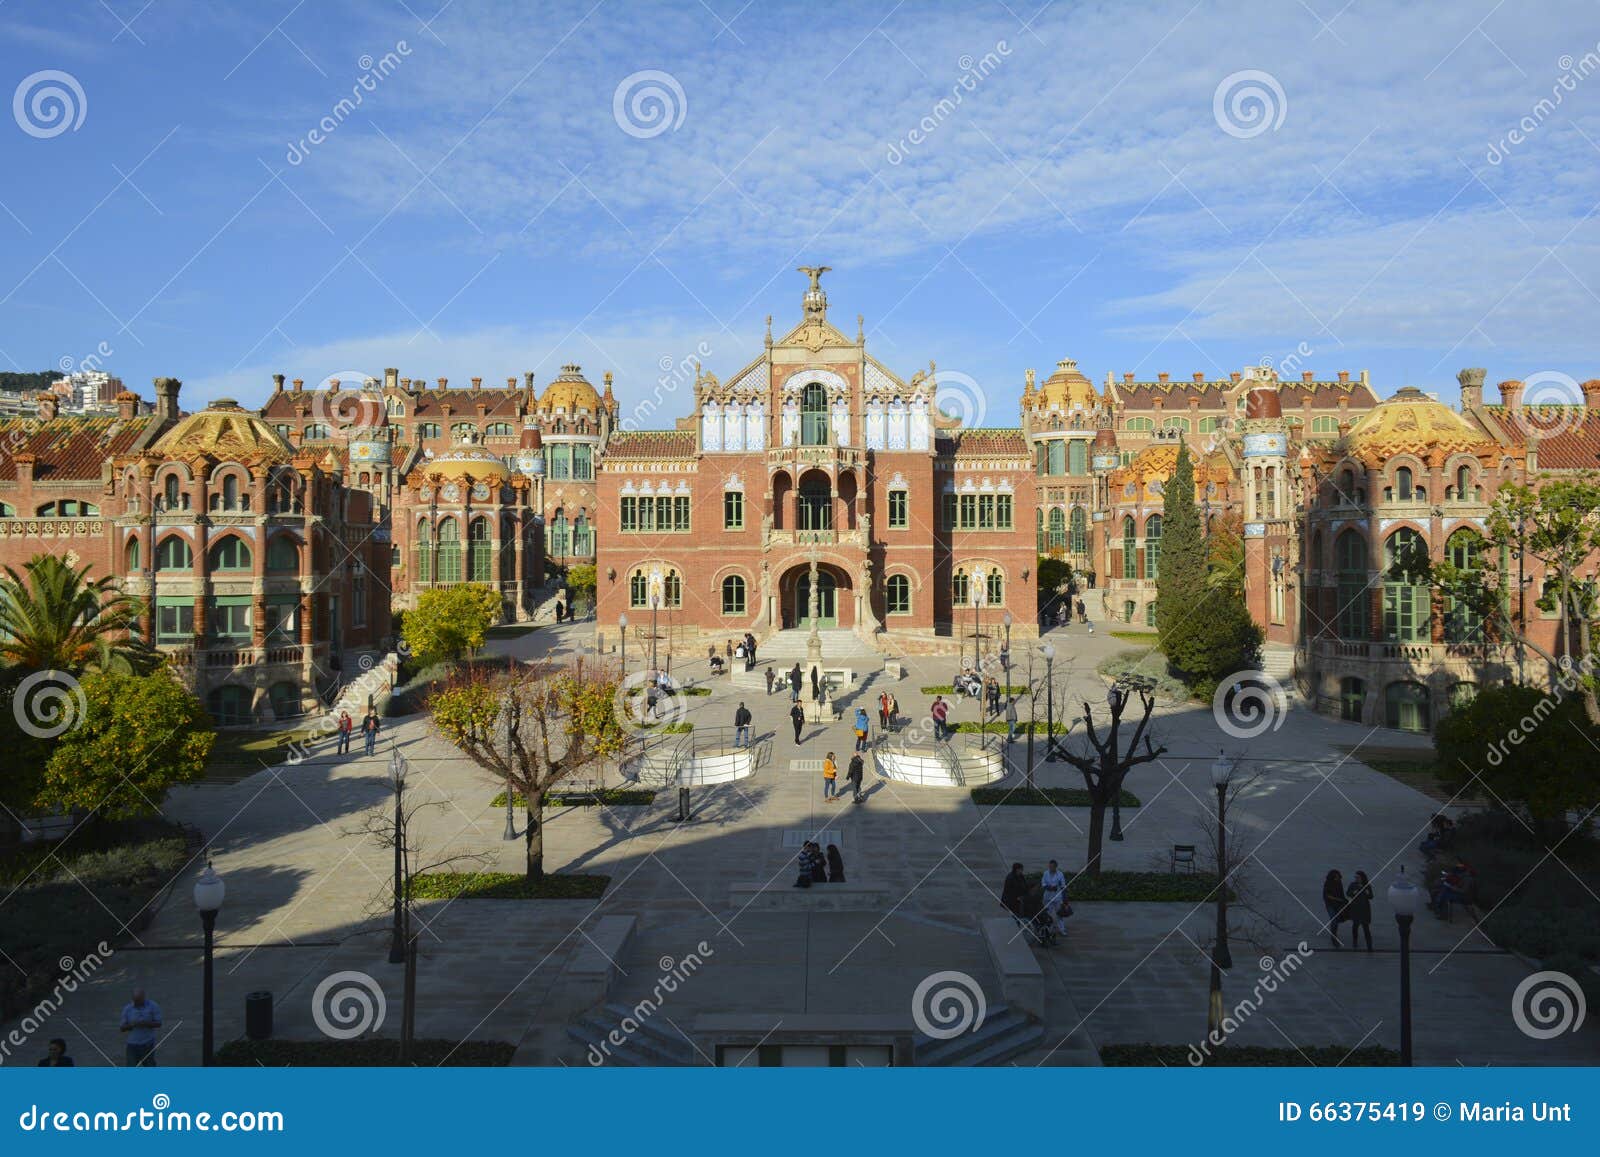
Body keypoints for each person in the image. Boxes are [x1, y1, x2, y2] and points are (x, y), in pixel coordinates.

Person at [120, 988, 162, 1067]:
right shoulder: (127, 1009)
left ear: (144, 998)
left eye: (139, 1001)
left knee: (150, 1066)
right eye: (135, 1000)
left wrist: (145, 1023)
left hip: (147, 1044)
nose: (136, 1003)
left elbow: (159, 1023)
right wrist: (131, 1025)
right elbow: (122, 1028)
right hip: (132, 1045)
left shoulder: (153, 1006)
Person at [1346, 870, 1374, 951]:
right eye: (1355, 877)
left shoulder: (1367, 886)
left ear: (1362, 878)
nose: (1356, 879)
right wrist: (1353, 892)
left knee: (1366, 928)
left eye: (1358, 877)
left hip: (1364, 910)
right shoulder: (1353, 885)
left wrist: (1367, 892)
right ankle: (1355, 941)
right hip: (1356, 909)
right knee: (1355, 926)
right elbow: (1348, 893)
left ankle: (1369, 945)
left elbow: (1371, 896)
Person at [1040, 859, 1069, 935]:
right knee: (1047, 913)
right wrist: (1049, 887)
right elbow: (1043, 884)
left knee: (1059, 914)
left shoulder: (1060, 874)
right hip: (1047, 897)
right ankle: (1048, 929)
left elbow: (1063, 886)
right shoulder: (1045, 873)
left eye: (1052, 866)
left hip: (1057, 897)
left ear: (1056, 867)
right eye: (1050, 866)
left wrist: (1065, 899)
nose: (1051, 868)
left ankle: (1062, 930)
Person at [1321, 869, 1346, 948]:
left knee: (1336, 920)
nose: (1337, 878)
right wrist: (1337, 899)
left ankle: (1334, 934)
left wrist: (1343, 900)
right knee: (1334, 919)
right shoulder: (1328, 883)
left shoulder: (1339, 882)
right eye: (1336, 877)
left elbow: (1341, 893)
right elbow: (1326, 895)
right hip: (1330, 905)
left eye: (1338, 877)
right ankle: (1334, 937)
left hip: (1338, 905)